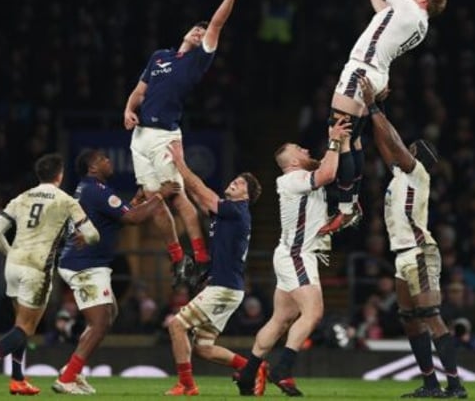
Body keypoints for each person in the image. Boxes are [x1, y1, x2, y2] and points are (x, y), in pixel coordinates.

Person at [123, 0, 252, 287]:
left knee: (177, 197)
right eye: (198, 28)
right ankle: (179, 259)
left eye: (204, 32)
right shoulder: (160, 57)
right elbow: (140, 91)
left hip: (165, 135)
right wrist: (128, 109)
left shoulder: (197, 61)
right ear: (187, 31)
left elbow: (218, 23)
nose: (201, 32)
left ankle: (202, 258)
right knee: (156, 203)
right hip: (139, 138)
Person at [319, 0, 447, 235]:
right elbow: (381, 10)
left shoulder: (408, 5)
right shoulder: (419, 25)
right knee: (356, 137)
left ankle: (348, 207)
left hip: (362, 69)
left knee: (340, 133)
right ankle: (351, 205)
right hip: (377, 75)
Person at [360, 76, 467, 399]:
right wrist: (371, 111)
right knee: (409, 318)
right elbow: (385, 144)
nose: (406, 147)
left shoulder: (417, 172)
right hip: (402, 255)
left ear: (419, 156)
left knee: (429, 315)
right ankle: (431, 384)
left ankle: (456, 385)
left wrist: (374, 105)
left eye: (412, 148)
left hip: (420, 251)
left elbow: (392, 142)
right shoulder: (400, 174)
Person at [235, 118, 351, 397]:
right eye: (300, 149)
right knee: (314, 312)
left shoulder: (297, 178)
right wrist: (335, 140)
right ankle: (283, 368)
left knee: (281, 319)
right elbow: (327, 174)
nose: (306, 150)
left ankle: (248, 374)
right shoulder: (292, 179)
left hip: (291, 254)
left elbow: (328, 167)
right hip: (297, 255)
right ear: (294, 162)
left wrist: (342, 142)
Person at [0, 153, 100, 396]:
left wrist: (10, 255)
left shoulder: (21, 198)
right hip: (37, 269)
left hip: (13, 266)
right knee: (26, 329)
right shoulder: (66, 200)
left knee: (20, 325)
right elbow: (92, 235)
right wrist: (81, 236)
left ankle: (18, 379)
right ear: (60, 175)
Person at [52, 149, 179, 394]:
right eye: (102, 159)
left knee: (108, 314)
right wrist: (160, 196)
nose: (108, 161)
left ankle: (73, 371)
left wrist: (137, 202)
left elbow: (116, 218)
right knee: (99, 323)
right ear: (92, 168)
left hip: (85, 262)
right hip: (85, 264)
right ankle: (67, 377)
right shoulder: (96, 190)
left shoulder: (87, 189)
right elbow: (132, 219)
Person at [163, 139, 262, 396]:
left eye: (240, 183)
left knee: (176, 326)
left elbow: (200, 189)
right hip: (228, 288)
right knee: (204, 347)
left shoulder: (237, 211)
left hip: (225, 288)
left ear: (246, 196)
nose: (234, 182)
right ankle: (253, 369)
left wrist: (179, 162)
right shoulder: (229, 213)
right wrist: (182, 185)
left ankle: (187, 384)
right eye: (236, 179)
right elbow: (199, 195)